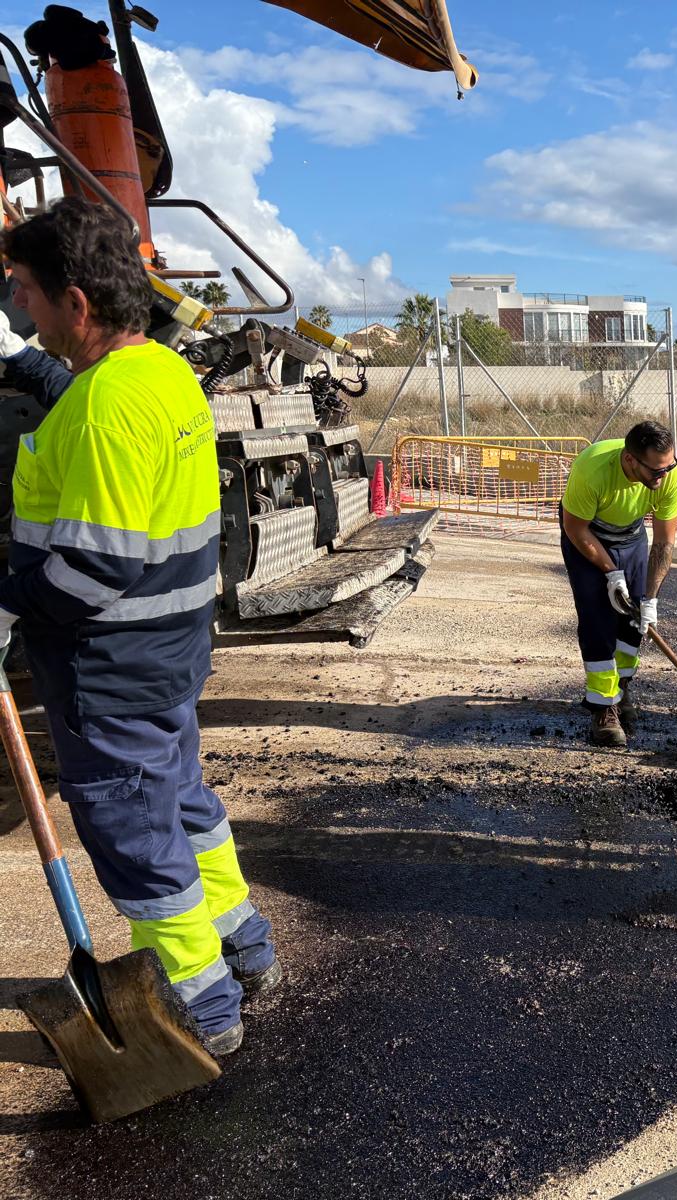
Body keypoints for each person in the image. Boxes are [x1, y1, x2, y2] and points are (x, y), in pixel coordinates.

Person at [0, 197, 278, 1055]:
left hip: (107, 664)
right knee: (183, 802)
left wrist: (6, 608)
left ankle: (202, 1009)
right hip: (166, 651)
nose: (21, 308)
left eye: (26, 294)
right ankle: (245, 948)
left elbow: (90, 569)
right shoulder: (159, 372)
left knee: (134, 833)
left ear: (75, 304)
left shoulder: (105, 410)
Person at [559, 420, 677, 747]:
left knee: (635, 619)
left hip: (630, 535)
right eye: (656, 470)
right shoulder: (592, 469)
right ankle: (603, 707)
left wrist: (650, 599)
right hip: (587, 535)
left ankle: (621, 689)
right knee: (598, 617)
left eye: (669, 466)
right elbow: (575, 529)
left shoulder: (668, 475)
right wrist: (610, 572)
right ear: (630, 460)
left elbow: (663, 544)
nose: (664, 475)